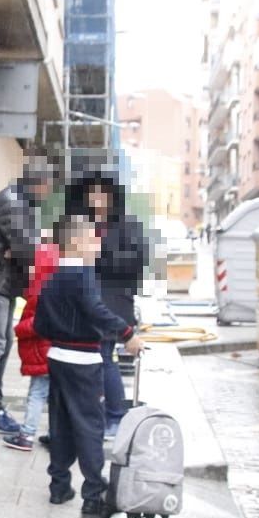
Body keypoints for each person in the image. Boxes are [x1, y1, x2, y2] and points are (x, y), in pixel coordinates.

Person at [34, 215, 145, 514]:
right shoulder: (83, 276)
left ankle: (59, 487)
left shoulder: (53, 278)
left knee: (61, 424)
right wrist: (127, 333)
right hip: (84, 361)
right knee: (89, 426)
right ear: (78, 242)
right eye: (94, 239)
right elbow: (95, 310)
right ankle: (94, 494)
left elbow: (40, 322)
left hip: (57, 358)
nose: (98, 244)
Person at [0, 156, 57, 435]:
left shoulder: (22, 203)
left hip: (2, 286)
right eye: (49, 186)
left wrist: (29, 246)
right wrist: (34, 248)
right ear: (38, 183)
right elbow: (29, 250)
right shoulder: (13, 203)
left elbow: (26, 247)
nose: (50, 192)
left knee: (2, 345)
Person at [67, 170, 148, 435]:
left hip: (113, 300)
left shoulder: (127, 224)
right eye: (92, 192)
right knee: (89, 359)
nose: (97, 198)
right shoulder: (80, 222)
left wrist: (97, 255)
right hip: (83, 300)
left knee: (104, 356)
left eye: (103, 193)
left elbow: (136, 262)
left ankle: (115, 415)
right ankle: (97, 415)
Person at [4, 232, 60, 453]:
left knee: (37, 393)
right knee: (56, 395)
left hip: (42, 352)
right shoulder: (62, 290)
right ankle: (56, 436)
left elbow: (36, 325)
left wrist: (18, 329)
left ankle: (26, 434)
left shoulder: (39, 296)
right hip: (59, 352)